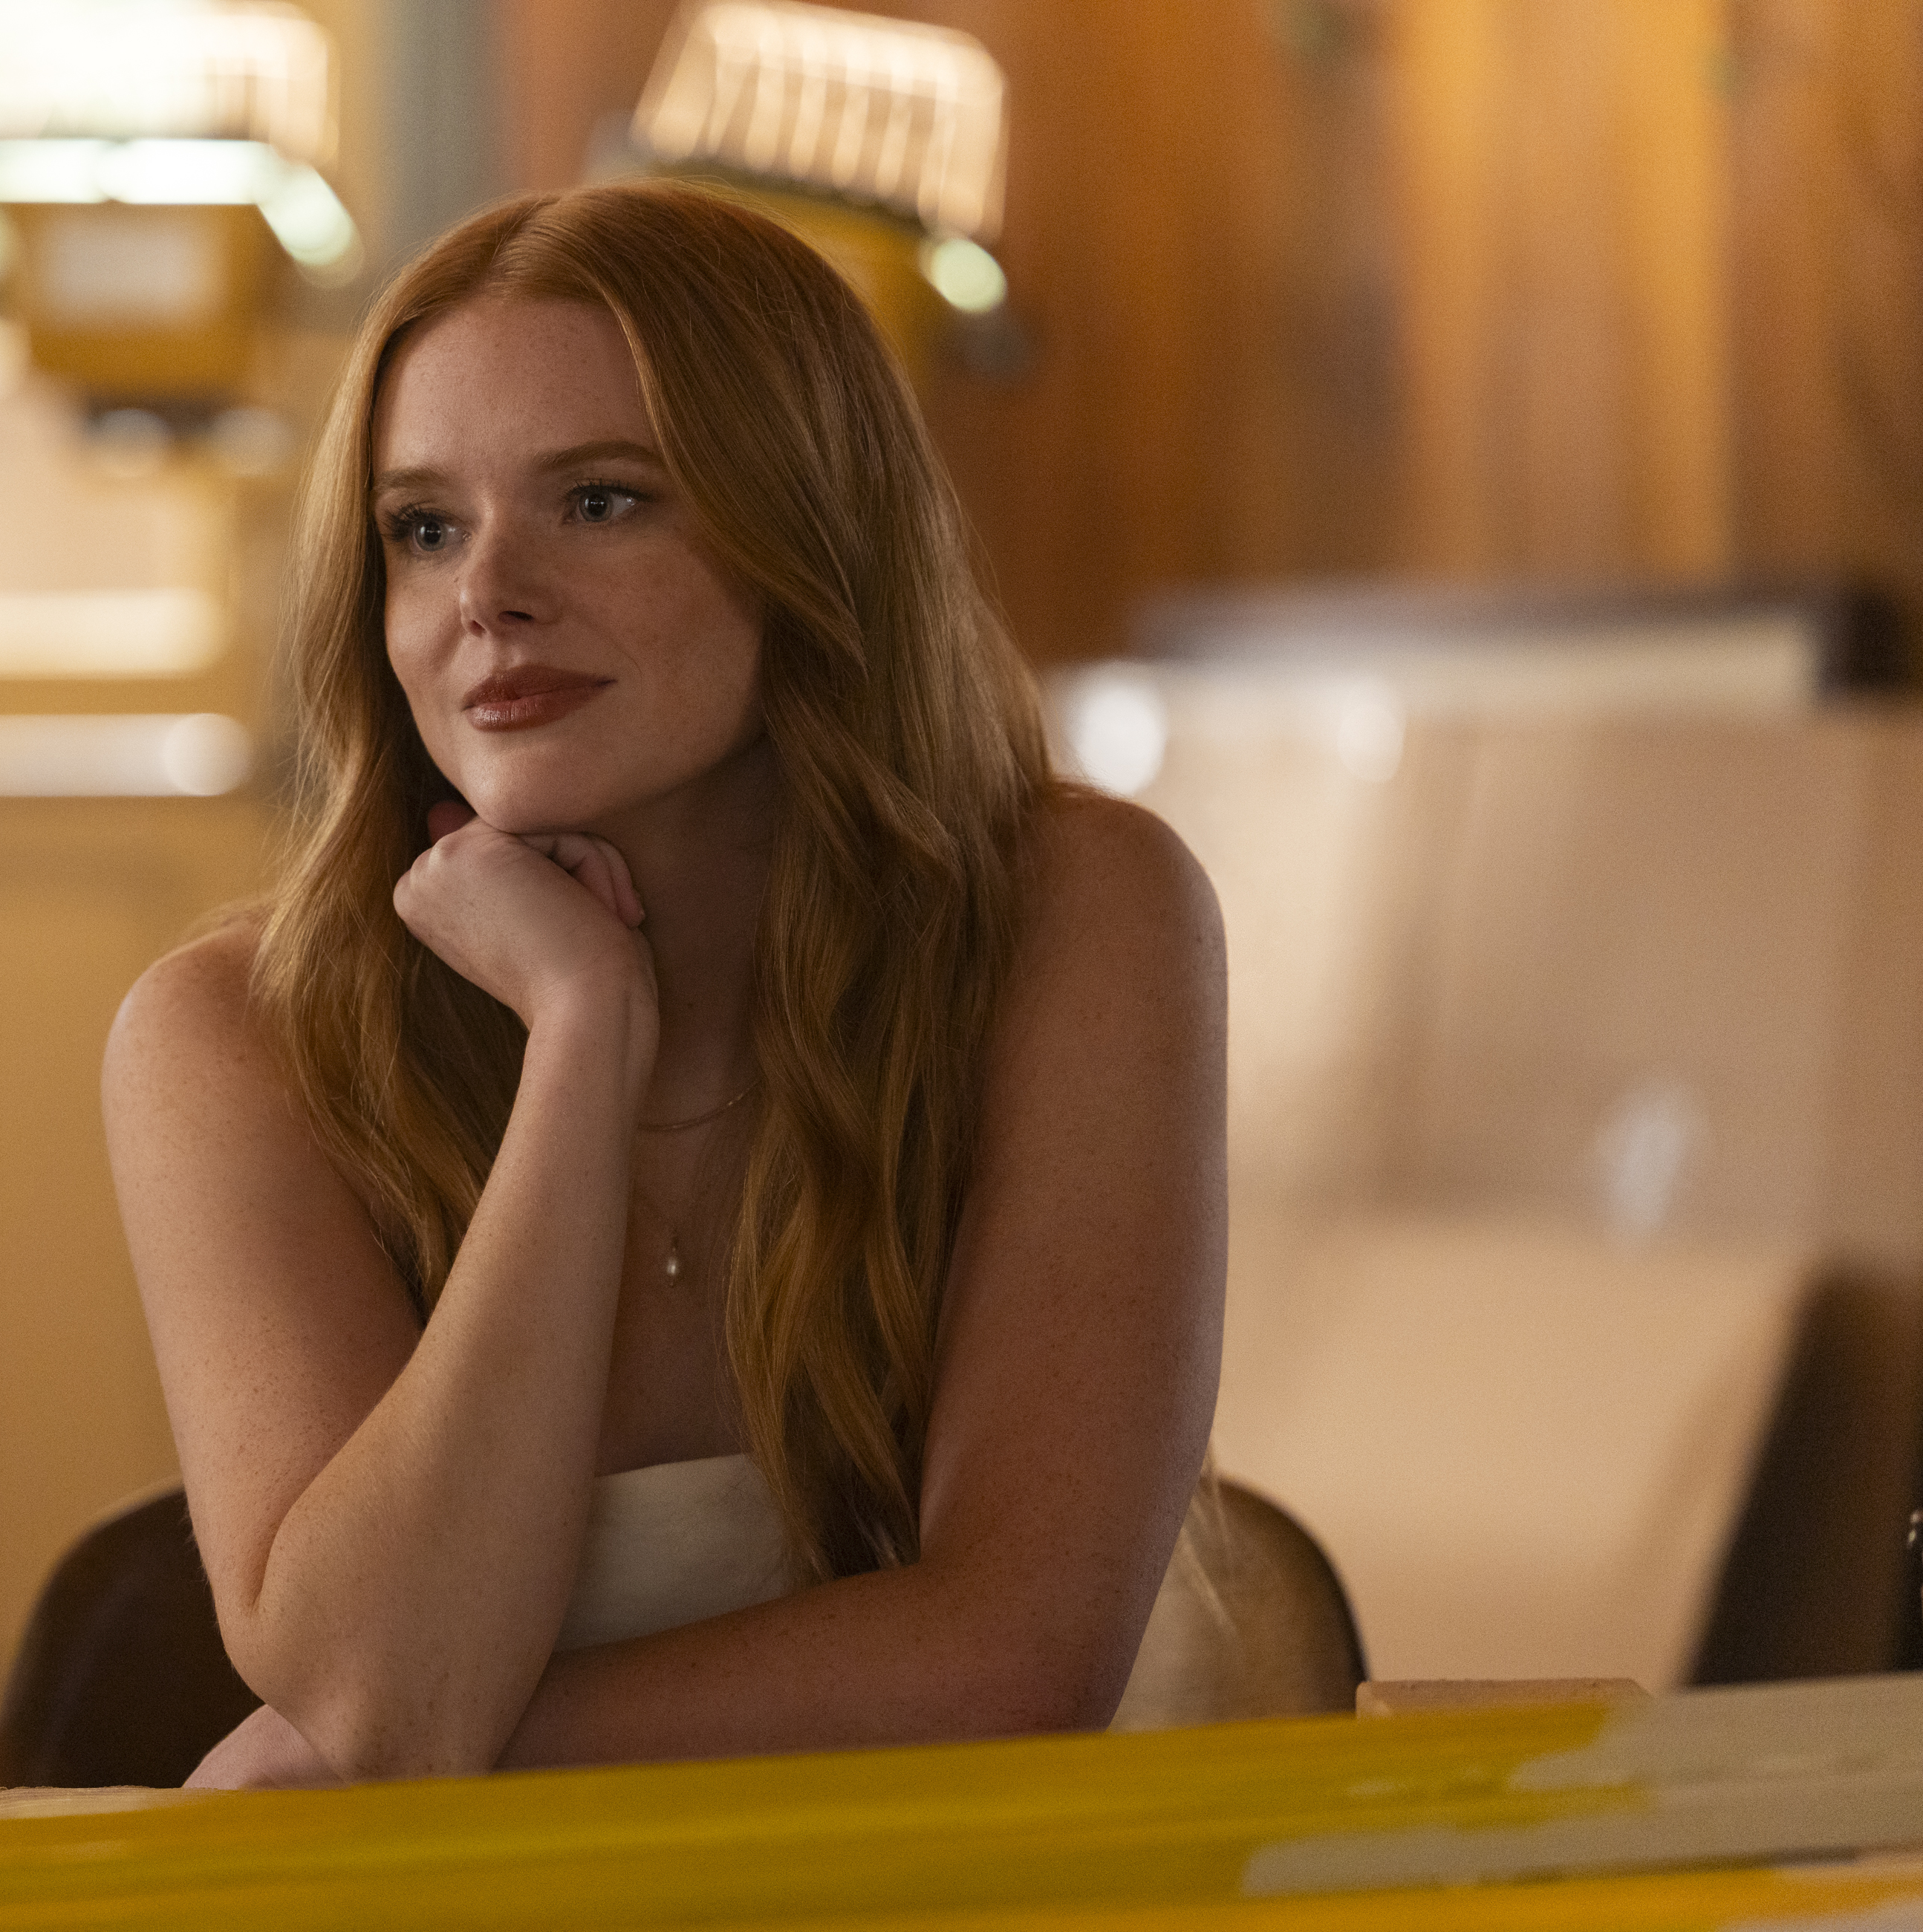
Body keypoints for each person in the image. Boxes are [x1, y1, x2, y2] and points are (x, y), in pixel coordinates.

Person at [103, 180, 1226, 1789]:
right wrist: (581, 1040)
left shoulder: (1080, 912)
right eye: (425, 526)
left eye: (603, 500)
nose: (490, 589)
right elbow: (374, 1677)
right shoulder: (230, 1035)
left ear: (809, 536)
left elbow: (1014, 1656)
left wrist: (390, 1754)